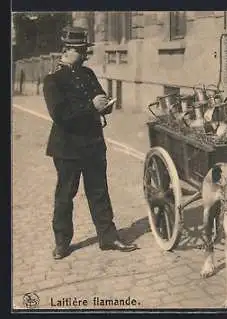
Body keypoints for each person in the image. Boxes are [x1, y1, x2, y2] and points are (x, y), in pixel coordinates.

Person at [43, 26, 138, 260]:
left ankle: (108, 237)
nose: (84, 55)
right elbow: (60, 114)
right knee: (66, 194)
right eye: (80, 51)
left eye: (84, 50)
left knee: (99, 192)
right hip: (67, 148)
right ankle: (62, 242)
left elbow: (100, 97)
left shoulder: (88, 74)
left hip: (94, 144)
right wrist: (91, 107)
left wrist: (106, 104)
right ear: (66, 50)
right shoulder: (53, 80)